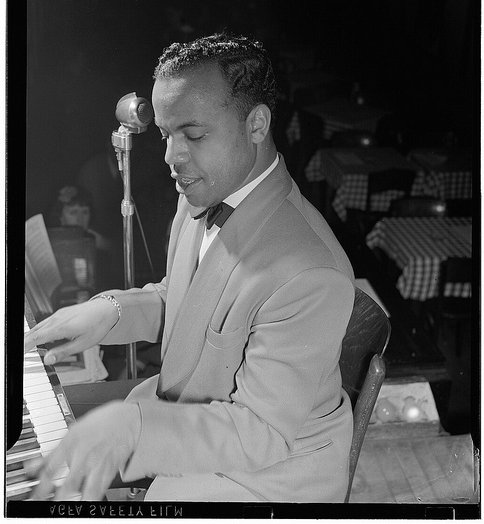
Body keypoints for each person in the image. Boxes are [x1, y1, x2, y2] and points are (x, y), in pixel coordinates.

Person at [24, 32, 356, 503]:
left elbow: (258, 433)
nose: (170, 158)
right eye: (165, 134)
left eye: (193, 135)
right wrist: (111, 313)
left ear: (257, 124)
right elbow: (191, 300)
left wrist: (134, 430)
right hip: (192, 417)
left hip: (267, 476)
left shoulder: (311, 273)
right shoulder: (204, 191)